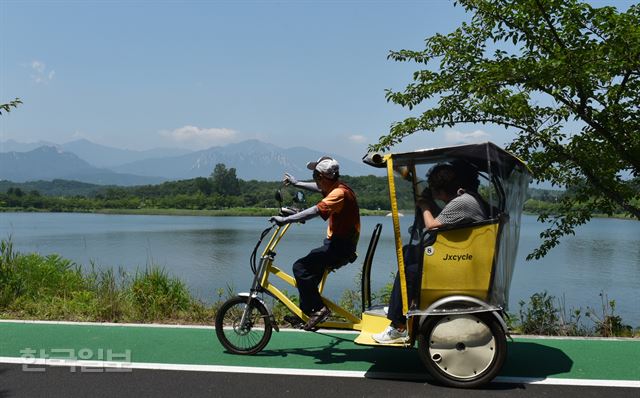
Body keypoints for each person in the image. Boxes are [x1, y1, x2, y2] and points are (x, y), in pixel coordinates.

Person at [372, 162, 488, 344]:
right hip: (462, 258)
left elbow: (432, 225)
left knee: (410, 272)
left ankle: (398, 325)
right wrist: (429, 204)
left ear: (440, 190)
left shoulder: (462, 202)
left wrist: (425, 205)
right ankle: (399, 307)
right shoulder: (466, 199)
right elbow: (444, 217)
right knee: (409, 252)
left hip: (460, 264)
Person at [269, 156, 360, 331]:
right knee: (309, 274)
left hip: (340, 247)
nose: (315, 180)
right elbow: (318, 189)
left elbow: (315, 210)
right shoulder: (337, 188)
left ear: (323, 177)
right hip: (338, 244)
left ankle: (319, 309)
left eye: (316, 176)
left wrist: (287, 219)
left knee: (300, 267)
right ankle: (306, 311)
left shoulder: (338, 194)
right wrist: (296, 183)